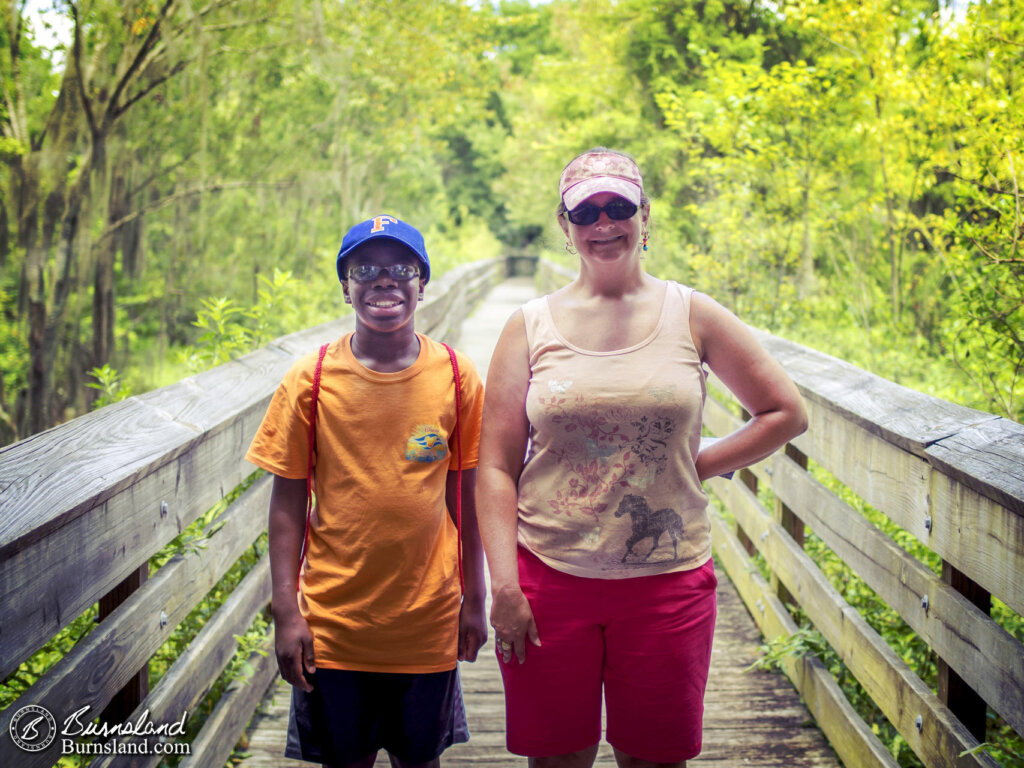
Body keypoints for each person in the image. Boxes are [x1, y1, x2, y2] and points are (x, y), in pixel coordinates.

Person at [477, 149, 808, 768]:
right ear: (566, 225)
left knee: (655, 758)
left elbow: (784, 412)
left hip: (668, 580)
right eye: (587, 211)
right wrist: (503, 585)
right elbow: (494, 465)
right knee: (555, 758)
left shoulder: (693, 313)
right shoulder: (529, 326)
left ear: (644, 215)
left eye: (619, 206)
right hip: (549, 575)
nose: (604, 223)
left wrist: (696, 464)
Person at [246, 214, 488, 768]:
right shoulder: (311, 378)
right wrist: (287, 612)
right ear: (345, 284)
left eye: (402, 268)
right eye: (366, 269)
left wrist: (475, 599)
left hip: (426, 622)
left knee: (419, 760)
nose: (385, 281)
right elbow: (286, 506)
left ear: (422, 283)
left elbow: (466, 502)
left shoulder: (456, 376)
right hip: (336, 626)